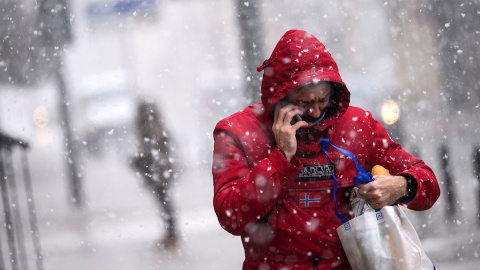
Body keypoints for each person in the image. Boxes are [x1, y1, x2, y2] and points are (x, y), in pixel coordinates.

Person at [212, 29, 440, 269]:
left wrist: (402, 186)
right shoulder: (237, 133)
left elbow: (429, 185)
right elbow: (231, 216)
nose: (316, 112)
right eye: (304, 103)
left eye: (323, 100)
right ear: (279, 97)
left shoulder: (358, 126)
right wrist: (280, 159)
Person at [131, 100, 179, 249]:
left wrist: (142, 160)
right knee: (164, 202)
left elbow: (155, 147)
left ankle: (172, 234)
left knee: (164, 202)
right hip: (159, 170)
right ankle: (171, 233)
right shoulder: (154, 124)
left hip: (159, 170)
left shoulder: (151, 126)